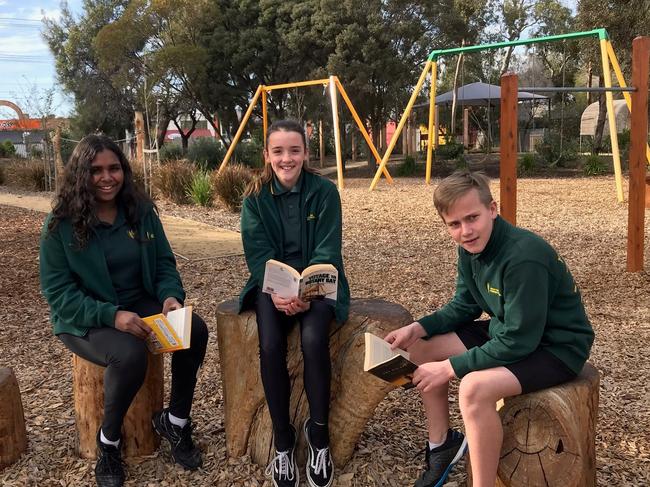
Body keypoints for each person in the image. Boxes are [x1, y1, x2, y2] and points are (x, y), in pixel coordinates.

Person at [385, 170, 594, 487]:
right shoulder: (469, 250)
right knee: (419, 349)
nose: (465, 231)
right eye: (454, 224)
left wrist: (450, 368)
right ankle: (442, 445)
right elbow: (465, 305)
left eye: (472, 218)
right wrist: (418, 327)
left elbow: (519, 341)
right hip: (511, 331)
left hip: (556, 347)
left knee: (473, 389)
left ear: (493, 210)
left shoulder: (524, 256)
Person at [39, 134, 209, 487]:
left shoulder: (140, 211)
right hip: (84, 318)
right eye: (95, 170)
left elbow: (164, 263)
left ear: (124, 170)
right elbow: (59, 294)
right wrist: (111, 316)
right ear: (80, 175)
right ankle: (109, 442)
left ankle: (175, 422)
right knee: (130, 354)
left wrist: (170, 297)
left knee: (195, 330)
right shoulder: (60, 225)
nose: (106, 177)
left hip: (139, 302)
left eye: (114, 168)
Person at [239, 119, 350, 487]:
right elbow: (258, 255)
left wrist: (306, 294)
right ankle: (283, 441)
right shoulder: (255, 198)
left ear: (305, 152)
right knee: (270, 345)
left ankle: (318, 435)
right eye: (278, 151)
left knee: (314, 339)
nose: (287, 159)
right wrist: (279, 291)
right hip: (273, 286)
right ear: (268, 155)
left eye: (294, 150)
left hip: (317, 283)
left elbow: (328, 249)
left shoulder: (324, 192)